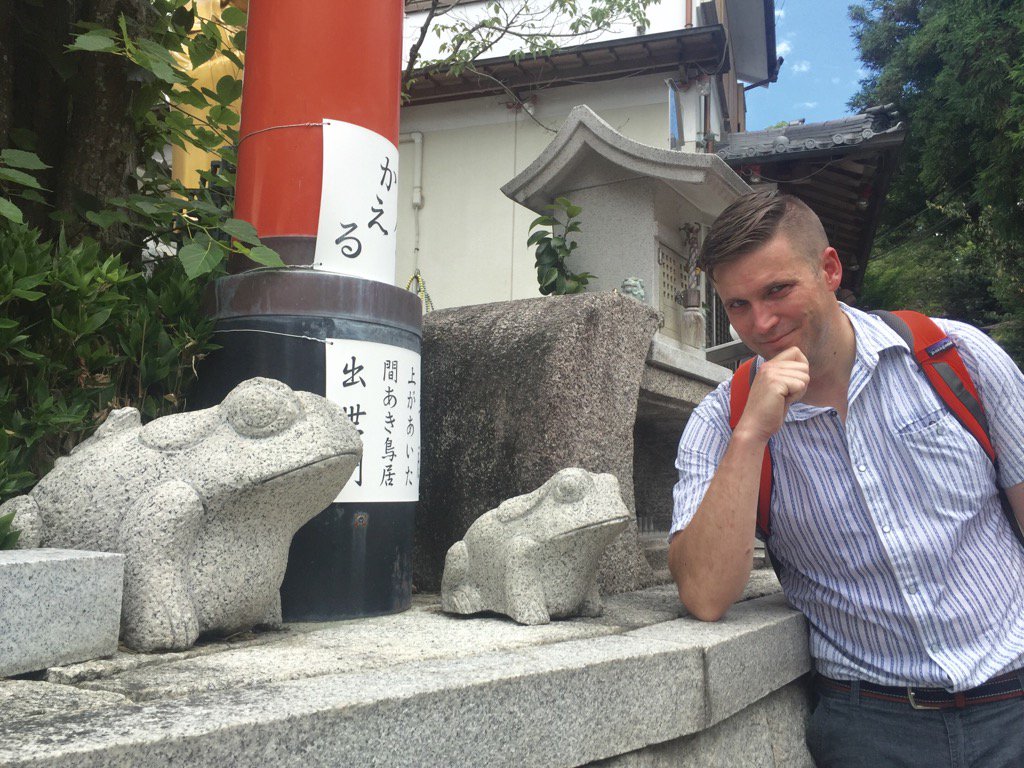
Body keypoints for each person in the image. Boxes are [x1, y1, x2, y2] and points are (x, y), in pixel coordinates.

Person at [668, 191, 1024, 767]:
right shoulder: (721, 420)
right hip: (870, 725)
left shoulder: (954, 356)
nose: (761, 323)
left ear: (829, 269)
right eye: (737, 305)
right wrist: (751, 435)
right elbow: (705, 596)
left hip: (1014, 695)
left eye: (778, 290)